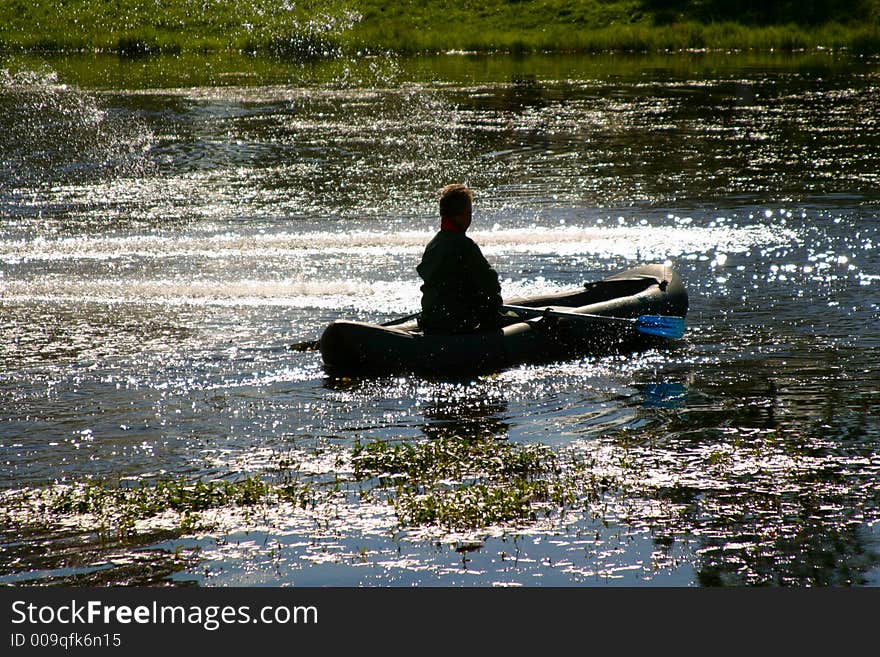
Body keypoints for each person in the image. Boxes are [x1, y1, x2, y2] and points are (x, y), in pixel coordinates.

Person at [417, 184, 504, 334]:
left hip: (432, 320)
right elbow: (489, 283)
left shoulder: (434, 244)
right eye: (469, 213)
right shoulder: (465, 245)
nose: (470, 218)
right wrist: (496, 310)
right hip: (456, 324)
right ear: (462, 215)